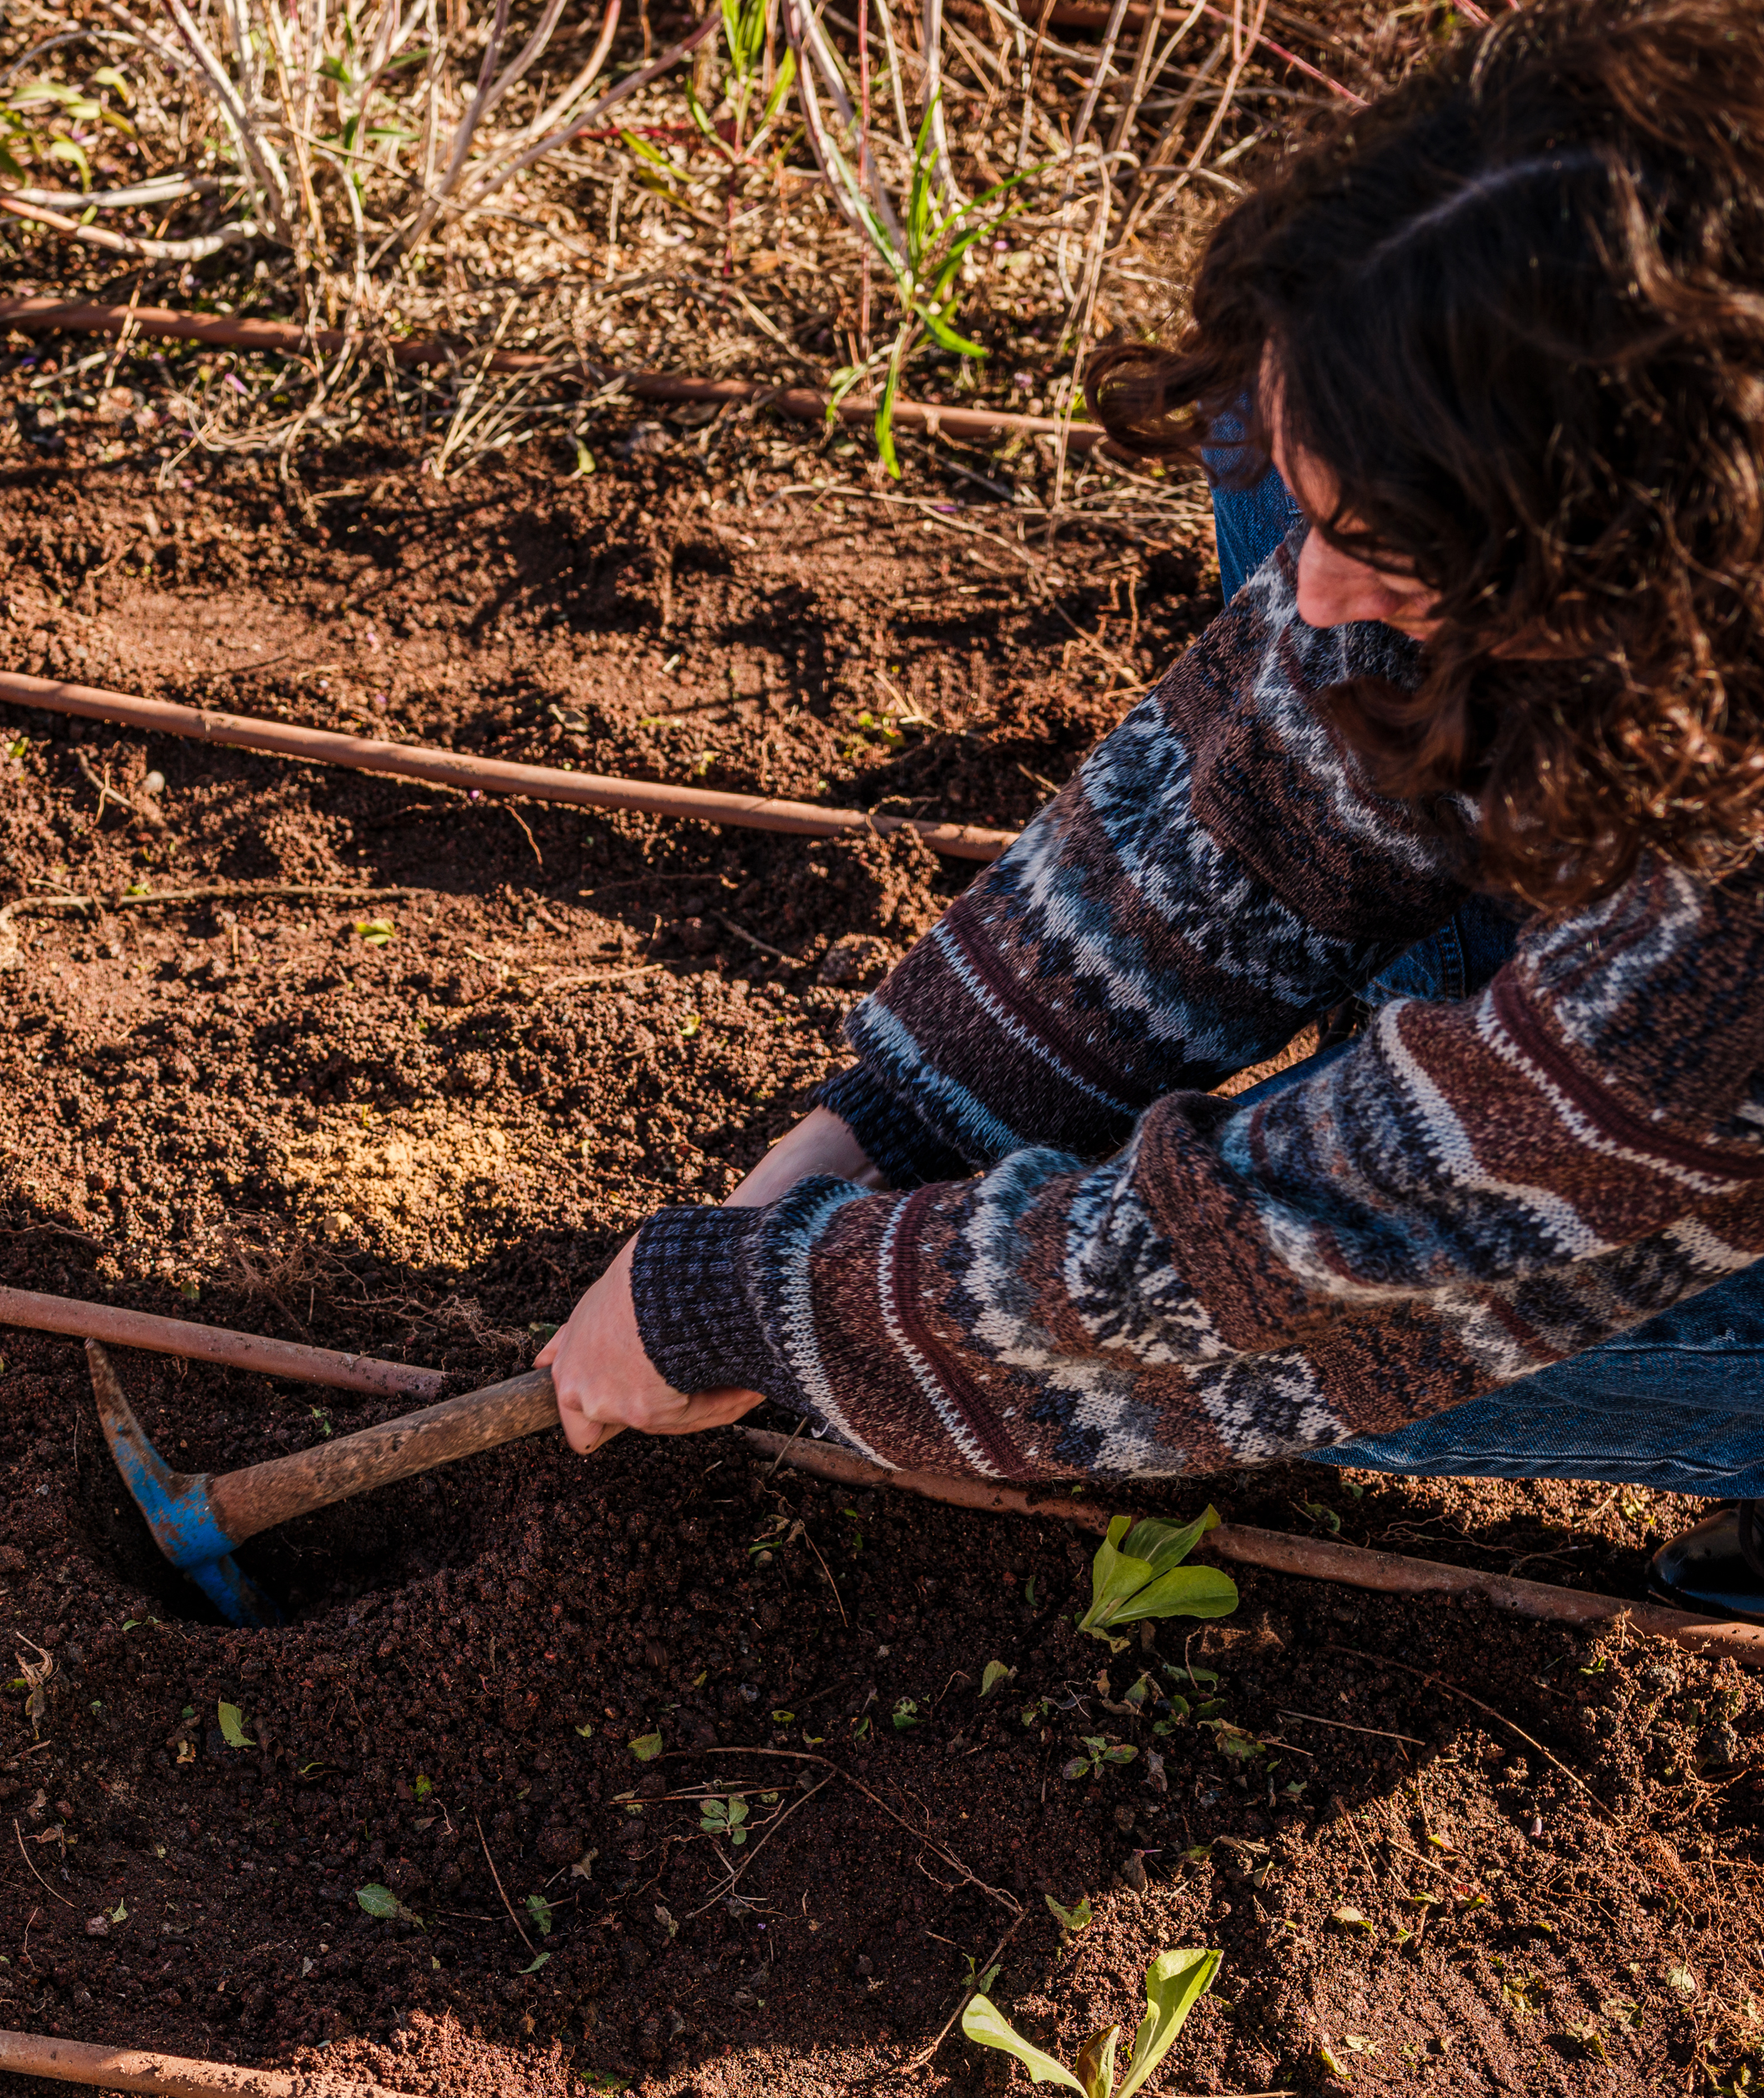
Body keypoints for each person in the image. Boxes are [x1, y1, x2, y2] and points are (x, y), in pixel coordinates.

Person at [536, 0, 1764, 1615]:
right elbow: (1255, 795)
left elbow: (1300, 1274)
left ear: (1641, 573)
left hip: (1705, 1061)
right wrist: (880, 1134)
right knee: (1277, 453)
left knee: (1339, 1377)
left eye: (1397, 554)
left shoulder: (1718, 960)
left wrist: (769, 1311)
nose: (1311, 602)